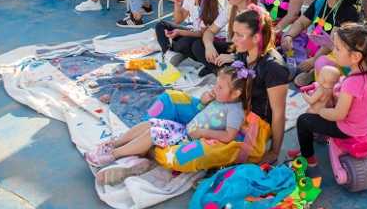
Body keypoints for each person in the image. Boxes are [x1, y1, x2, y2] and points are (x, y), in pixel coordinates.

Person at [85, 65, 251, 178]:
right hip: (184, 130)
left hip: (189, 140)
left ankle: (113, 155)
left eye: (220, 87)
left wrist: (203, 133)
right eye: (216, 84)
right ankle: (115, 143)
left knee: (153, 133)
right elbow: (201, 113)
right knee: (150, 123)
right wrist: (203, 102)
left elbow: (229, 136)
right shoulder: (219, 99)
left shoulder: (235, 111)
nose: (215, 88)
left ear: (236, 94)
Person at [288, 24, 367, 167]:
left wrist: (319, 111)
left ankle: (308, 157)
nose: (334, 51)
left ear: (355, 56)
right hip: (366, 126)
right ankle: (321, 135)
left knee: (304, 120)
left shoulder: (352, 82)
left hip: (348, 129)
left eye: (338, 49)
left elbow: (339, 114)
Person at [210, 7, 291, 164]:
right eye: (234, 33)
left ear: (256, 38)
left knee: (215, 150)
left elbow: (279, 113)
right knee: (200, 124)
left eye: (239, 35)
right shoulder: (243, 53)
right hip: (238, 112)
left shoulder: (274, 68)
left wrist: (274, 152)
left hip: (259, 125)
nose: (233, 39)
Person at [281, 0, 361, 87]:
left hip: (330, 51)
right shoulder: (320, 1)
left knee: (324, 61)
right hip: (311, 45)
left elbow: (333, 43)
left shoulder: (348, 11)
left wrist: (313, 60)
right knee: (287, 36)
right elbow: (302, 23)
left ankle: (310, 70)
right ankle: (299, 64)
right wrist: (289, 36)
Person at [195, 0, 259, 76]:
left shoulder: (257, 13)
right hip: (233, 48)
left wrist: (234, 57)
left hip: (248, 54)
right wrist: (209, 46)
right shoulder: (231, 8)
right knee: (197, 45)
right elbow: (210, 31)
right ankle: (217, 68)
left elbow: (258, 48)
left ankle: (219, 70)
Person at [154, 0, 220, 59]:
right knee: (161, 25)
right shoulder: (190, 0)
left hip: (209, 41)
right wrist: (177, 3)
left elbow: (203, 34)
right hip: (195, 32)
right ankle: (168, 52)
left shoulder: (208, 8)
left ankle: (172, 48)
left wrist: (179, 32)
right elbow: (178, 20)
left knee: (185, 43)